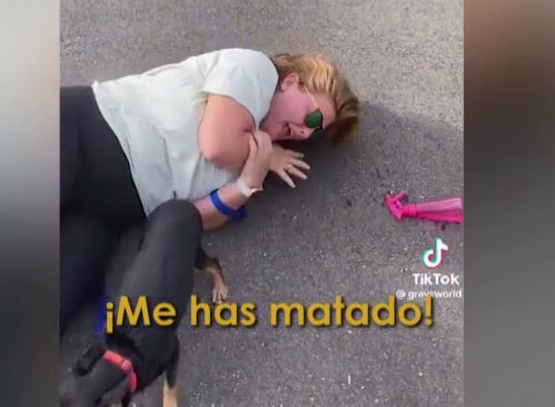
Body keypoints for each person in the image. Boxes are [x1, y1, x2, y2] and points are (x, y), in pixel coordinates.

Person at [60, 48, 360, 333]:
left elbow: (189, 219)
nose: (306, 132)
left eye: (315, 133)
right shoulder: (256, 70)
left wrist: (247, 184)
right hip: (88, 134)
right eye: (312, 117)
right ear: (292, 82)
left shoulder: (254, 160)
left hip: (111, 212)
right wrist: (267, 159)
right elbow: (216, 145)